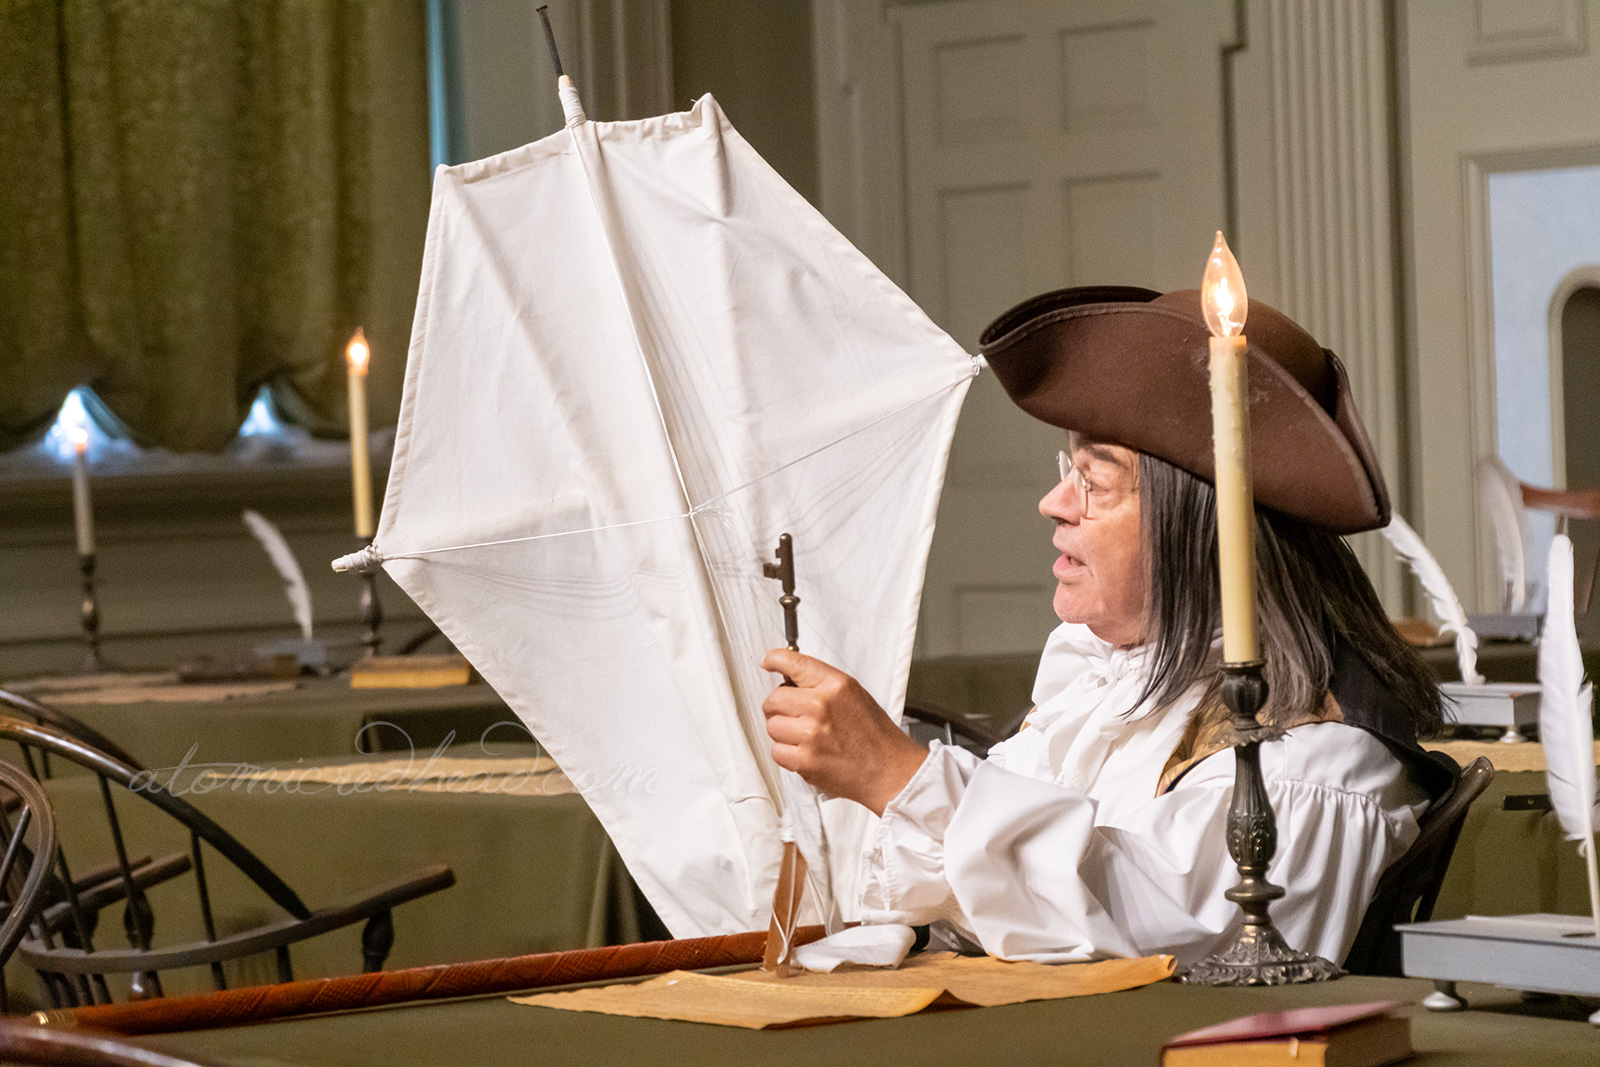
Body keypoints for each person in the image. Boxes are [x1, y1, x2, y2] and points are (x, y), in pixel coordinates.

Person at [760, 286, 1454, 967]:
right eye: (1070, 468)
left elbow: (1144, 929)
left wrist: (897, 775)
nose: (1054, 502)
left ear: (1201, 528)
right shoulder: (1103, 687)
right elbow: (974, 889)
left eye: (1096, 481)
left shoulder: (1314, 760)